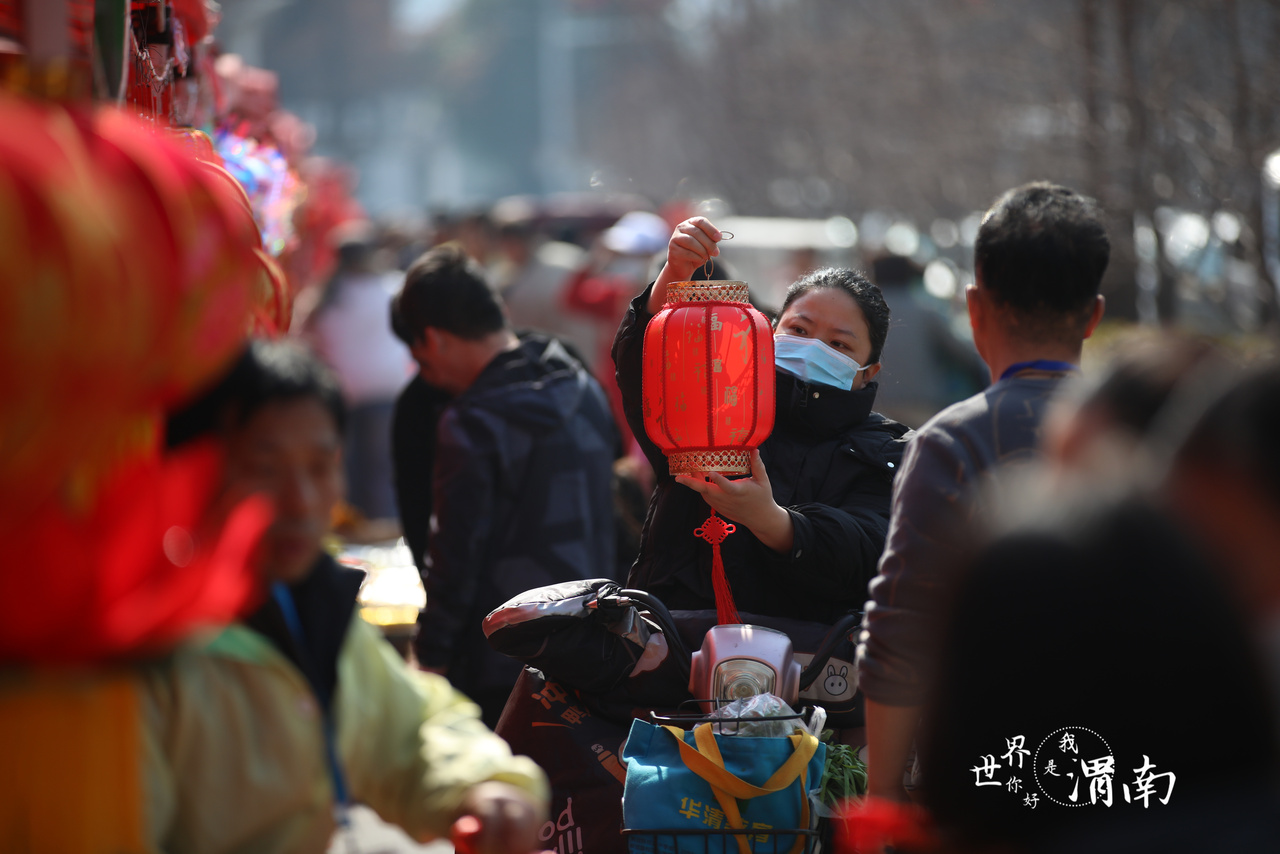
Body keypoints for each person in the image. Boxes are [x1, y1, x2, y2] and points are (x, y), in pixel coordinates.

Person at [139, 340, 549, 853]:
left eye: (319, 466)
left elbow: (404, 731)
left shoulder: (308, 606)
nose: (302, 501)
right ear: (192, 476)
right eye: (265, 469)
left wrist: (483, 786)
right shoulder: (145, 656)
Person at [856, 182, 1109, 807]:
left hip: (994, 777)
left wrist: (883, 799)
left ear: (976, 307)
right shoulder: (1154, 430)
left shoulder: (950, 444)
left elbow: (900, 632)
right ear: (1095, 315)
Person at [612, 217, 911, 624]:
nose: (812, 348)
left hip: (805, 669)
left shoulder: (888, 450)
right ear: (771, 330)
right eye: (799, 329)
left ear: (868, 371)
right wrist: (675, 274)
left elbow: (870, 549)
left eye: (838, 344)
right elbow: (648, 371)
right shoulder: (713, 405)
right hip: (673, 644)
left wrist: (772, 521)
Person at [390, 245, 619, 726]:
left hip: (504, 656)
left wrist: (430, 658)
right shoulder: (579, 384)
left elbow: (455, 556)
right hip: (596, 639)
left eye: (423, 363)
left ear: (433, 340)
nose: (430, 379)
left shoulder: (470, 420)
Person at [302, 220, 415, 520]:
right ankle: (385, 532)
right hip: (388, 387)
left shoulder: (325, 298)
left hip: (340, 390)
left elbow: (305, 338)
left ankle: (352, 530)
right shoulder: (394, 288)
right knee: (382, 469)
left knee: (347, 469)